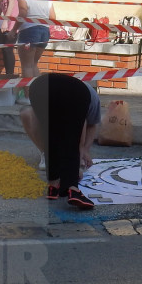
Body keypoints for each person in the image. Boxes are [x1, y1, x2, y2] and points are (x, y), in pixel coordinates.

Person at [20, 72, 99, 210]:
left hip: (38, 86)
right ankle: (73, 190)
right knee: (72, 141)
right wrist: (79, 161)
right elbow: (81, 135)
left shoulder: (81, 94)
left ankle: (53, 186)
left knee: (50, 136)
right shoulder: (88, 97)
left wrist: (85, 151)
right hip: (73, 92)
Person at [16, 0, 55, 80]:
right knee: (33, 64)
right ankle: (38, 94)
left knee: (26, 66)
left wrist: (13, 31)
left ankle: (28, 96)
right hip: (44, 32)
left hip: (29, 32)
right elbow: (52, 17)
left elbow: (22, 15)